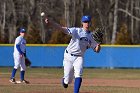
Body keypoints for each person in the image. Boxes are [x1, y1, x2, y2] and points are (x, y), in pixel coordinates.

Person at [45, 15, 101, 93]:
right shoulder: (76, 31)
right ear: (82, 23)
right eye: (85, 22)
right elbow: (62, 29)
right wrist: (51, 23)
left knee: (79, 74)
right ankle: (65, 81)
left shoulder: (91, 36)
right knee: (68, 81)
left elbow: (96, 50)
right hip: (69, 56)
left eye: (88, 22)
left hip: (79, 57)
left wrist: (98, 44)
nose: (86, 24)